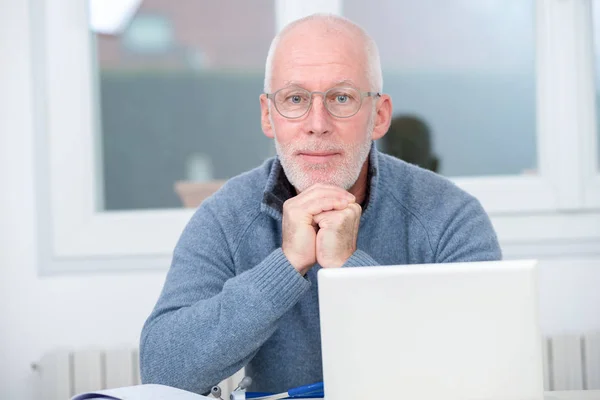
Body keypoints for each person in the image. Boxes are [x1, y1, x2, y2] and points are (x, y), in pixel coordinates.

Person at [140, 13, 501, 396]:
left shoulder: (451, 216)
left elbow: (485, 364)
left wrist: (351, 268)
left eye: (341, 98)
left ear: (379, 116)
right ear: (268, 115)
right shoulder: (226, 216)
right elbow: (163, 370)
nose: (317, 123)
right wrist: (284, 267)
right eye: (295, 99)